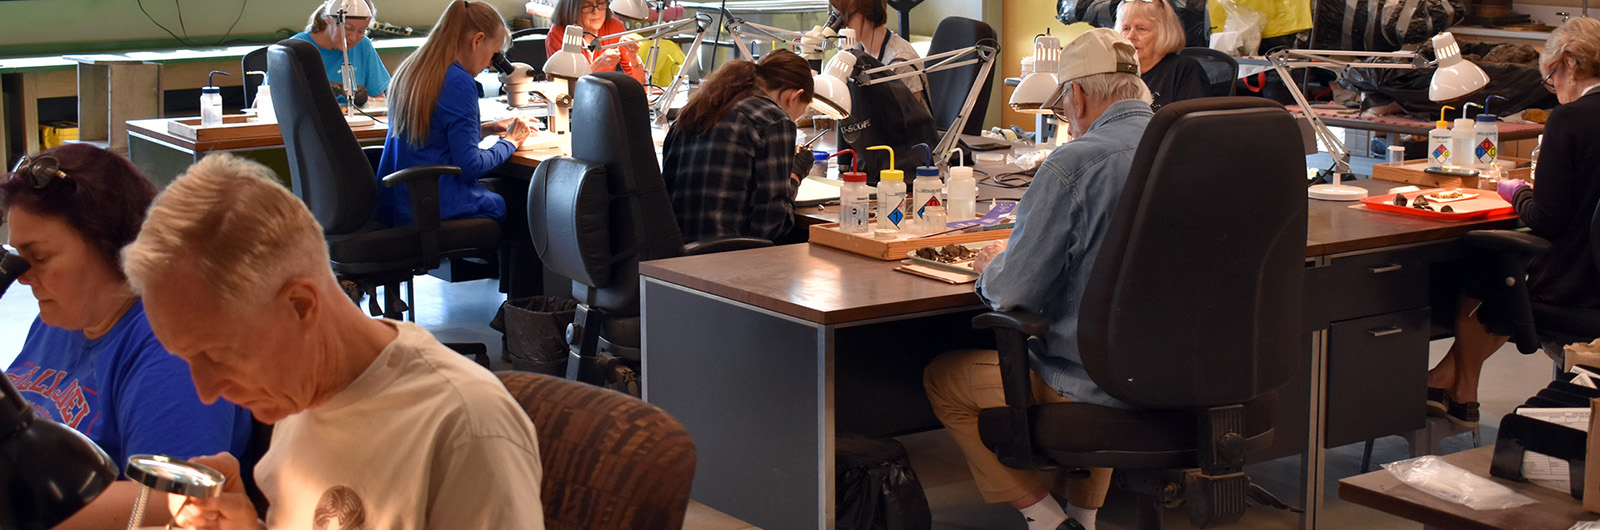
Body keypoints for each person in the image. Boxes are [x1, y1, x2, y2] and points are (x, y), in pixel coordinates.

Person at [123, 153, 546, 529]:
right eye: (187, 359)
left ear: (300, 307)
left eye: (217, 355)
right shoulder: (297, 393)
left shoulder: (464, 429)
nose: (205, 391)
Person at [922, 29, 1154, 530]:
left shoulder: (1076, 164)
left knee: (943, 378)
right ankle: (1083, 518)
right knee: (1110, 337)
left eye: (1062, 107)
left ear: (1078, 95)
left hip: (1097, 386)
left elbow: (1013, 292)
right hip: (1183, 376)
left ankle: (1047, 521)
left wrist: (992, 265)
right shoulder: (1188, 148)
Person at [0, 144, 253, 529]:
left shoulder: (172, 351)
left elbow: (181, 501)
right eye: (18, 257)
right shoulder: (62, 317)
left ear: (112, 244)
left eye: (40, 257)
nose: (22, 277)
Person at [1428, 17, 1600, 427]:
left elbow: (1546, 219)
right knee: (1506, 271)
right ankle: (1449, 386)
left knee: (1489, 270)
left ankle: (1457, 388)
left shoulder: (1570, 119)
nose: (1555, 90)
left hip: (1577, 287)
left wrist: (1515, 191)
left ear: (1570, 63)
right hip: (1594, 275)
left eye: (1551, 79)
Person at [377, 0, 536, 227]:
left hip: (401, 201)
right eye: (494, 55)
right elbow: (471, 166)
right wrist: (511, 141)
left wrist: (487, 129)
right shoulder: (458, 81)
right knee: (521, 200)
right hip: (435, 204)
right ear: (477, 40)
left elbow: (431, 135)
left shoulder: (415, 68)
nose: (491, 65)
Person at [662, 49, 815, 243]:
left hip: (674, 252)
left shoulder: (695, 109)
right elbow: (771, 225)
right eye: (797, 115)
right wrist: (794, 176)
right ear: (793, 96)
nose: (793, 120)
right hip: (730, 252)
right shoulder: (774, 119)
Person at [830, 0, 928, 106]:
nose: (842, 26)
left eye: (845, 17)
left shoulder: (900, 61)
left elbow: (910, 114)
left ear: (870, 12)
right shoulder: (856, 48)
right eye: (836, 17)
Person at [293, 0, 392, 104]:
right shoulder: (297, 48)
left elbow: (383, 100)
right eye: (348, 28)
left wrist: (367, 100)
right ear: (328, 19)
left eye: (361, 31)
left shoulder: (362, 45)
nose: (353, 38)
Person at [1116, 0, 1208, 108]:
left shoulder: (1184, 70)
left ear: (1164, 33)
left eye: (1141, 29)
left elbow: (1192, 117)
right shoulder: (1116, 73)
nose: (1130, 36)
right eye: (1126, 28)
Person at [546, 0, 649, 84]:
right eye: (587, 6)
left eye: (601, 3)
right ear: (573, 9)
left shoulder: (614, 27)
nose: (596, 11)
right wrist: (597, 67)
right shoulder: (560, 34)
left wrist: (634, 59)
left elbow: (641, 85)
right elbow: (567, 89)